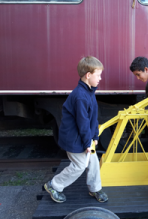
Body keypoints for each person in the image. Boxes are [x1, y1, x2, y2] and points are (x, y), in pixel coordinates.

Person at [44, 56, 108, 203]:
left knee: (93, 161)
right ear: (88, 75)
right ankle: (54, 185)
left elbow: (93, 118)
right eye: (98, 75)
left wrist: (95, 137)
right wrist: (87, 143)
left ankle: (95, 188)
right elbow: (83, 123)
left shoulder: (89, 92)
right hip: (74, 139)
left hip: (83, 137)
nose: (100, 78)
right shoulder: (80, 96)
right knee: (79, 166)